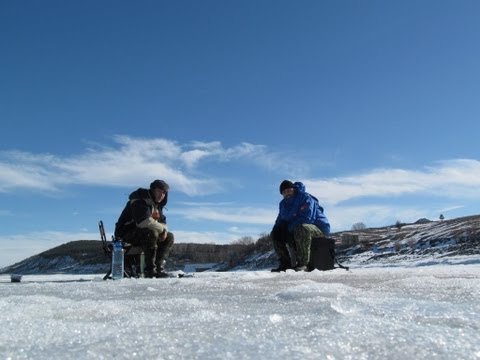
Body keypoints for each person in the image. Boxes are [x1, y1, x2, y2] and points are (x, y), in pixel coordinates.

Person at [115, 180, 174, 278]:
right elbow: (143, 221)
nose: (161, 195)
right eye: (159, 191)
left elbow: (164, 223)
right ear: (153, 190)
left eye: (164, 193)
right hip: (124, 235)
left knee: (169, 236)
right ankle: (150, 270)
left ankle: (159, 268)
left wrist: (164, 231)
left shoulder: (157, 206)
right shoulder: (140, 200)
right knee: (151, 232)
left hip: (141, 234)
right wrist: (162, 230)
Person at [271, 180, 330, 272]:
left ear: (293, 189)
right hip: (296, 228)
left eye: (289, 190)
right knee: (276, 233)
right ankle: (285, 264)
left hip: (318, 228)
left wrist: (289, 229)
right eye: (284, 192)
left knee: (302, 228)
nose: (287, 193)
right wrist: (277, 230)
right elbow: (280, 219)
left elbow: (307, 218)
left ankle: (303, 264)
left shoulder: (305, 198)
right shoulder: (283, 204)